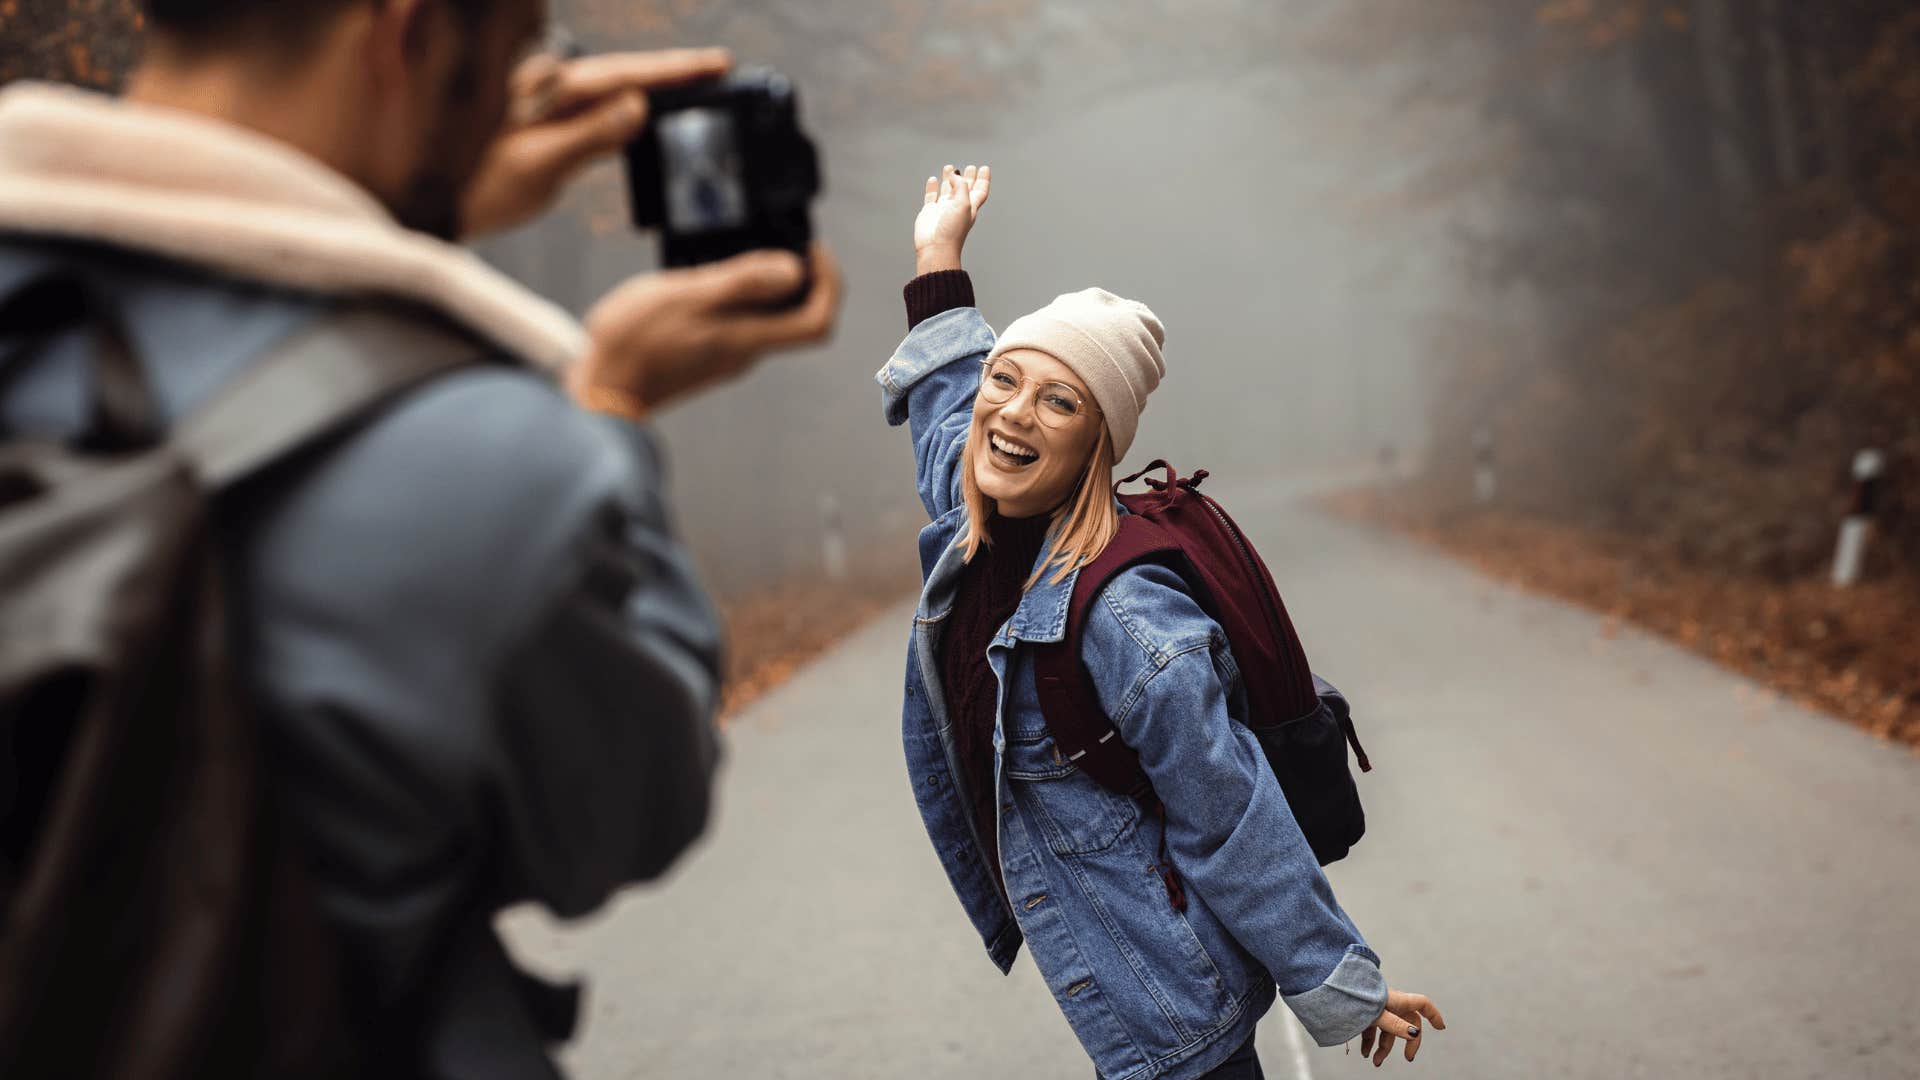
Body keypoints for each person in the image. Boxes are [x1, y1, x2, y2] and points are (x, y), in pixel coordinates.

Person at [0, 0, 840, 1075]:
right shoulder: (478, 462)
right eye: (510, 52)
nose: (512, 97)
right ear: (403, 35)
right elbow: (629, 809)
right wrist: (613, 411)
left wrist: (404, 203)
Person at [876, 164, 1444, 1078]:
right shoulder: (984, 513)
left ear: (1096, 445)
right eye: (1008, 380)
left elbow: (1230, 814)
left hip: (1175, 1004)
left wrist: (1341, 982)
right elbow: (949, 411)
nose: (1013, 412)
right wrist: (938, 256)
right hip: (1131, 987)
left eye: (1059, 401)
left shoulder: (1128, 620)